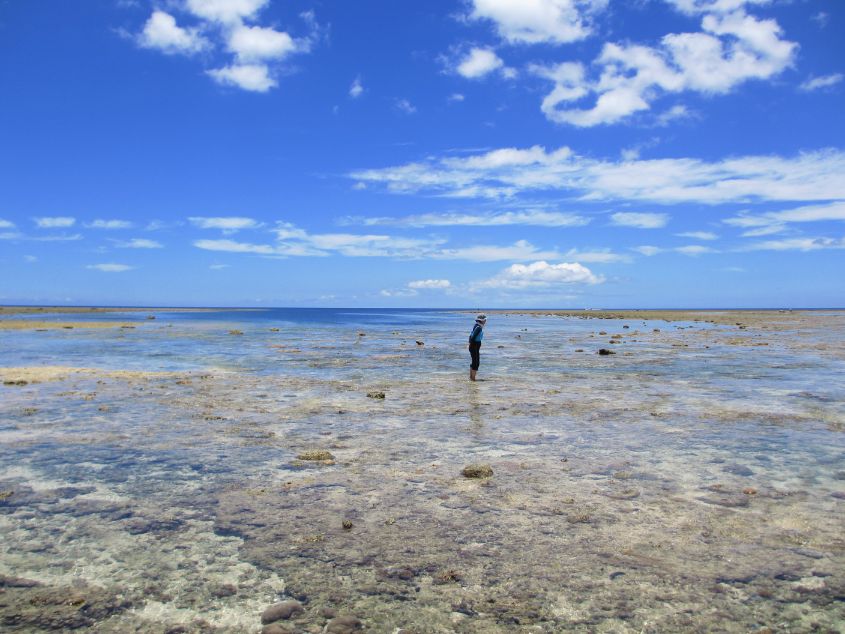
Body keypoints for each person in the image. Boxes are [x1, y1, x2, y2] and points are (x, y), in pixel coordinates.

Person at [468, 313, 486, 381]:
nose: (485, 321)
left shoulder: (477, 326)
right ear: (482, 320)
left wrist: (470, 344)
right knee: (476, 363)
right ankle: (473, 379)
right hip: (474, 346)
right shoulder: (478, 327)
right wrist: (470, 345)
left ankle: (471, 378)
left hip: (474, 346)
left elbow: (470, 336)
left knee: (474, 362)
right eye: (485, 320)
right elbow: (472, 337)